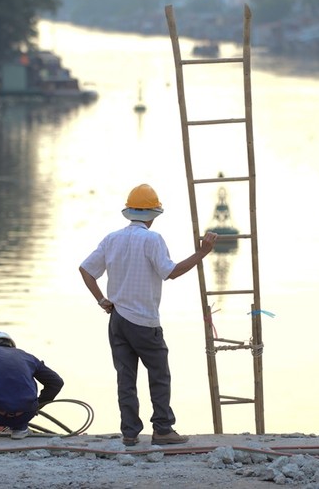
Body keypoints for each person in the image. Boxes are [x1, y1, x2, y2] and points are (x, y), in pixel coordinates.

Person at [79, 183, 218, 446]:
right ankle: (163, 429)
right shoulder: (152, 240)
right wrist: (202, 253)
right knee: (159, 374)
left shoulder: (112, 239)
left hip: (117, 319)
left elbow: (86, 269)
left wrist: (101, 299)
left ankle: (130, 433)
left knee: (126, 378)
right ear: (153, 215)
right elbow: (171, 272)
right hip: (143, 321)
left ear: (129, 212)